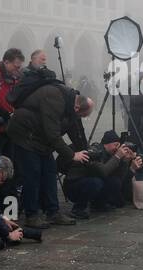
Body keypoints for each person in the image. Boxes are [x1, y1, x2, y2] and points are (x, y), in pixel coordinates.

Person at [6, 75, 93, 228]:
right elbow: (52, 134)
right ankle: (31, 215)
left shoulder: (70, 105)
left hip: (40, 139)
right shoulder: (54, 98)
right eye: (82, 116)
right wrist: (73, 155)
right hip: (25, 134)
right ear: (77, 108)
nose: (80, 118)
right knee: (33, 174)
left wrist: (84, 150)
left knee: (49, 172)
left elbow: (75, 130)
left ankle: (53, 212)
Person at [62, 130, 142, 218]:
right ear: (106, 143)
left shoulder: (111, 155)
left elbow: (119, 179)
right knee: (96, 182)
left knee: (114, 181)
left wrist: (126, 163)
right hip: (73, 186)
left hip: (88, 184)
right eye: (115, 145)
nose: (117, 148)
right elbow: (103, 171)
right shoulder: (95, 151)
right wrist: (118, 156)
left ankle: (99, 204)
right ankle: (78, 209)